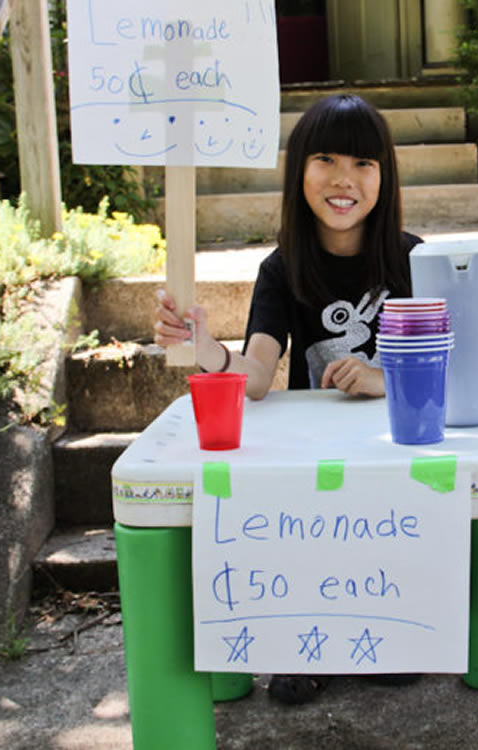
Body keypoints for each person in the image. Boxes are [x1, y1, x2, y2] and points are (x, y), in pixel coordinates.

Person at [152, 93, 423, 703]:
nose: (343, 179)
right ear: (299, 170)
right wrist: (204, 346)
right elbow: (255, 376)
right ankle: (309, 644)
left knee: (389, 540)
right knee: (313, 541)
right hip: (316, 457)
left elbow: (452, 365)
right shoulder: (283, 268)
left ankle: (387, 634)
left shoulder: (415, 260)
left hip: (396, 452)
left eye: (363, 163)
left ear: (385, 175)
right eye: (325, 159)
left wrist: (386, 379)